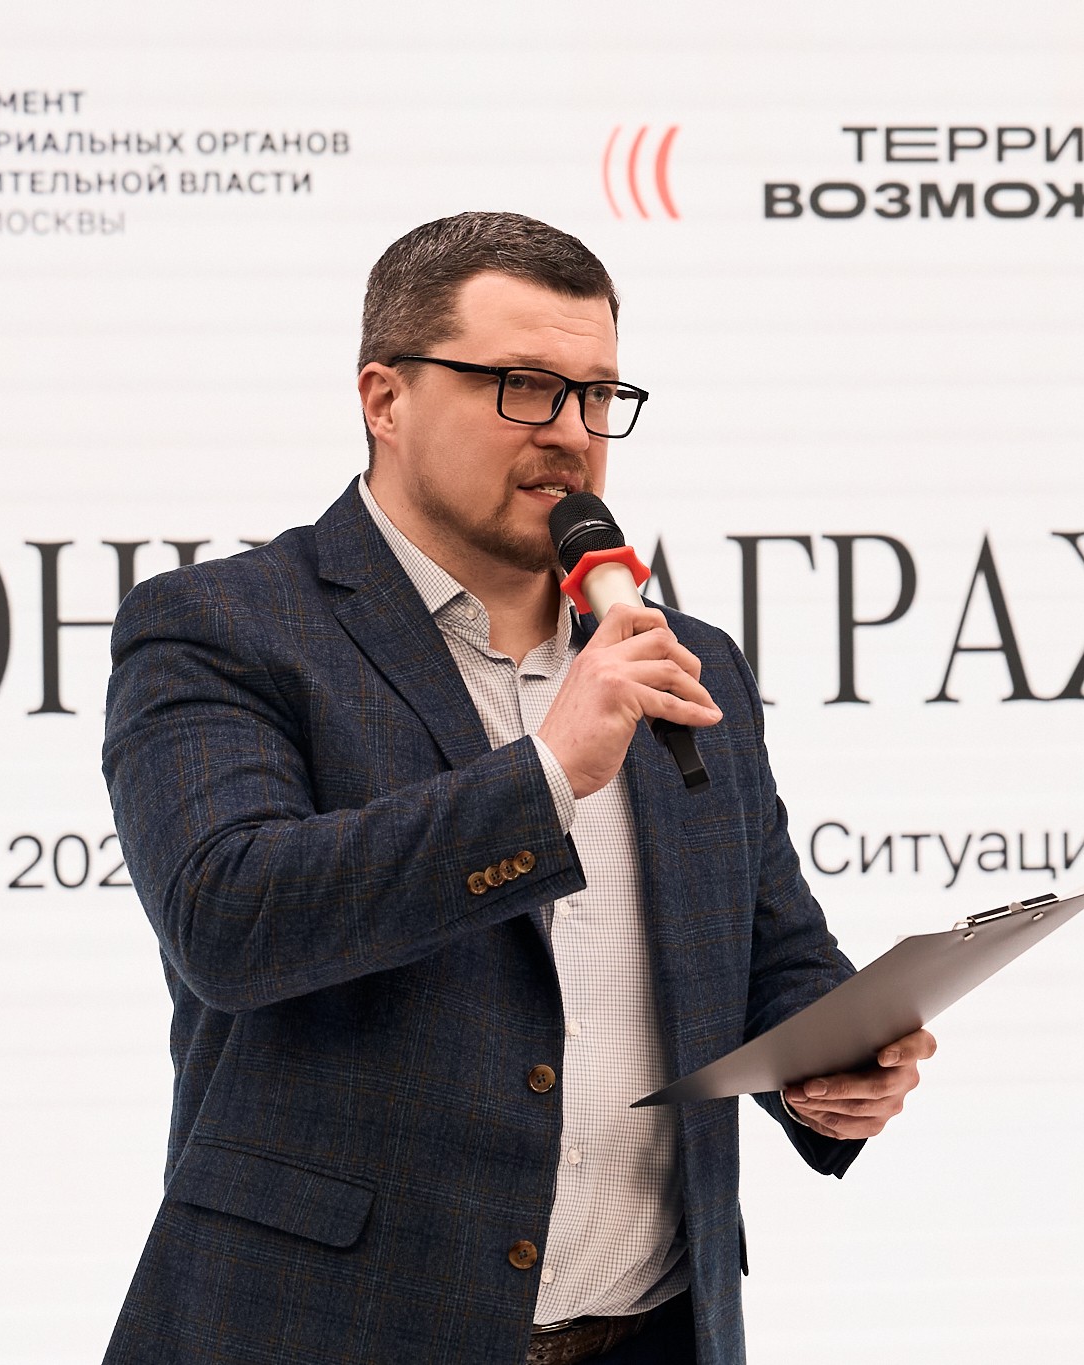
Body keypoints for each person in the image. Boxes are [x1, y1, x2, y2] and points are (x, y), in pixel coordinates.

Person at [101, 211, 934, 1365]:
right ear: (384, 398)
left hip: (654, 1334)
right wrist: (546, 777)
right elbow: (229, 920)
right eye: (525, 389)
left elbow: (764, 944)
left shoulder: (682, 657)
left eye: (597, 396)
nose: (572, 435)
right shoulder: (223, 628)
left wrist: (827, 1059)